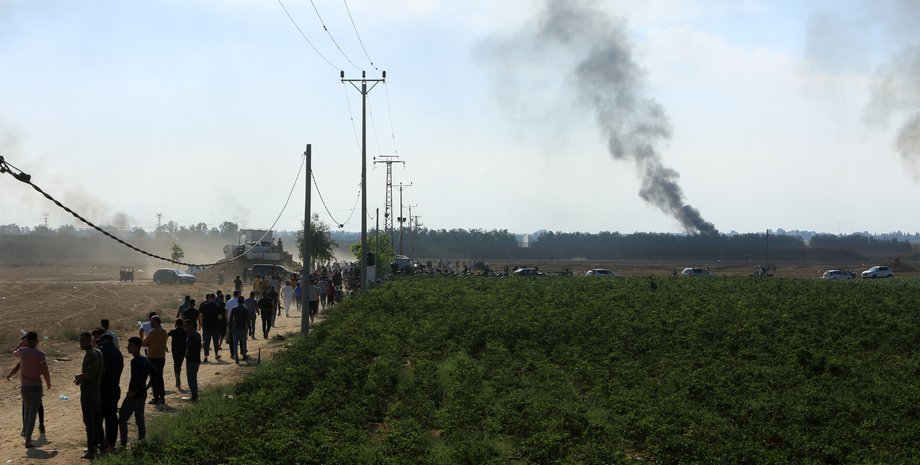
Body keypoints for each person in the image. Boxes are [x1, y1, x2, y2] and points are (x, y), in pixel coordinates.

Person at [9, 331, 50, 448]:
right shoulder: (40, 354)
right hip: (36, 386)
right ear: (37, 341)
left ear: (27, 341)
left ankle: (26, 433)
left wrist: (21, 344)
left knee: (27, 412)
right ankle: (28, 439)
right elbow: (44, 370)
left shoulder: (22, 352)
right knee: (33, 413)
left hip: (25, 387)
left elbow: (15, 352)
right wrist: (48, 382)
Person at [119, 337, 154, 448]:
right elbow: (156, 375)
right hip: (142, 395)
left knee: (122, 418)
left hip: (134, 396)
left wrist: (133, 392)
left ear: (136, 347)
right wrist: (145, 388)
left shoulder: (135, 361)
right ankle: (142, 442)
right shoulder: (145, 359)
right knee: (140, 419)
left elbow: (135, 379)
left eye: (130, 345)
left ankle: (123, 444)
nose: (127, 347)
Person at [74, 332, 104, 459]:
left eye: (83, 341)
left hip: (89, 392)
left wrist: (81, 376)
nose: (81, 343)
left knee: (89, 421)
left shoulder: (91, 354)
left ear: (90, 341)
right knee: (97, 421)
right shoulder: (98, 352)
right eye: (80, 340)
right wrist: (83, 378)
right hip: (96, 391)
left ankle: (91, 450)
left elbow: (91, 372)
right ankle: (102, 447)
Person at [96, 332, 123, 451]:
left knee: (98, 418)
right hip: (114, 388)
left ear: (102, 341)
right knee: (111, 418)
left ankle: (99, 443)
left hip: (100, 390)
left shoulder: (99, 352)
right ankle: (110, 444)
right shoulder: (118, 353)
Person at [142, 315, 168, 405]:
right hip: (161, 357)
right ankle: (162, 397)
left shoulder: (152, 332)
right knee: (159, 377)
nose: (150, 323)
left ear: (156, 322)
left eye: (152, 321)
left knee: (153, 378)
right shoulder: (164, 331)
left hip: (152, 357)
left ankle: (156, 397)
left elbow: (144, 343)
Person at [199, 293, 222, 362]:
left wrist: (202, 323)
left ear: (209, 298)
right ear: (214, 298)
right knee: (216, 341)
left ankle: (206, 356)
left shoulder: (204, 305)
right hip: (215, 326)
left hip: (206, 326)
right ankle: (216, 355)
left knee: (206, 342)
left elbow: (201, 316)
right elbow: (220, 317)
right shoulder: (217, 306)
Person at [228, 296, 249, 364]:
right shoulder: (246, 309)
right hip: (243, 328)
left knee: (235, 343)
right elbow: (248, 320)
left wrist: (230, 328)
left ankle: (236, 358)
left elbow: (230, 320)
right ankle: (244, 355)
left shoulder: (234, 309)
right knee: (243, 343)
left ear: (238, 302)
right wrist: (250, 329)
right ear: (243, 302)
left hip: (235, 328)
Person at [184, 320, 201, 401]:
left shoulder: (192, 335)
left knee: (191, 379)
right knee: (193, 378)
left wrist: (187, 354)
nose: (185, 328)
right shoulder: (196, 334)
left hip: (192, 360)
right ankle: (194, 394)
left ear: (190, 326)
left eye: (186, 326)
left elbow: (191, 348)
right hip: (195, 360)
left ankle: (194, 396)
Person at [167, 319, 186, 389]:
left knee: (176, 363)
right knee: (179, 363)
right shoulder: (185, 332)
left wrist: (165, 346)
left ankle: (177, 376)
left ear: (176, 324)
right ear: (182, 324)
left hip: (175, 350)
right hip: (183, 350)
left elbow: (166, 336)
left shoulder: (173, 331)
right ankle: (178, 374)